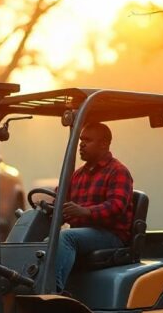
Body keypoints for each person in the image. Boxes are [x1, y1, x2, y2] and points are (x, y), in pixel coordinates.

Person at [54, 122, 134, 292]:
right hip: (84, 234)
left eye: (87, 140)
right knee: (46, 241)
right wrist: (50, 206)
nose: (81, 144)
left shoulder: (118, 171)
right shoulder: (77, 175)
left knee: (65, 238)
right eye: (81, 139)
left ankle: (52, 290)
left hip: (111, 235)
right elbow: (60, 199)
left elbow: (117, 205)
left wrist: (86, 211)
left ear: (104, 144)